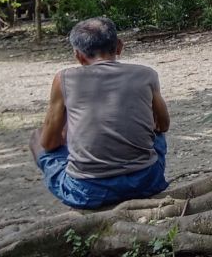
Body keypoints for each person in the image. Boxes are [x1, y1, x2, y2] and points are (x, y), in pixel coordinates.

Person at [30, 16, 170, 209]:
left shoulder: (64, 79)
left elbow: (49, 142)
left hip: (87, 191)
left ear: (78, 55)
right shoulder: (146, 74)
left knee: (37, 138)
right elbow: (163, 126)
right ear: (119, 46)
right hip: (146, 182)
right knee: (156, 136)